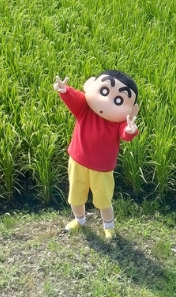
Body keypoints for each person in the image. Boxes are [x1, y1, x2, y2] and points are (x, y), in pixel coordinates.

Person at [54, 72, 141, 241]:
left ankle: (108, 226)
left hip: (102, 168)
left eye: (118, 101)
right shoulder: (84, 108)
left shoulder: (118, 122)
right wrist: (65, 90)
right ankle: (79, 220)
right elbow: (74, 98)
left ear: (131, 109)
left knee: (103, 199)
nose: (107, 102)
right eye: (104, 91)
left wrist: (131, 130)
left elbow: (125, 133)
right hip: (78, 161)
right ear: (91, 84)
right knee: (76, 195)